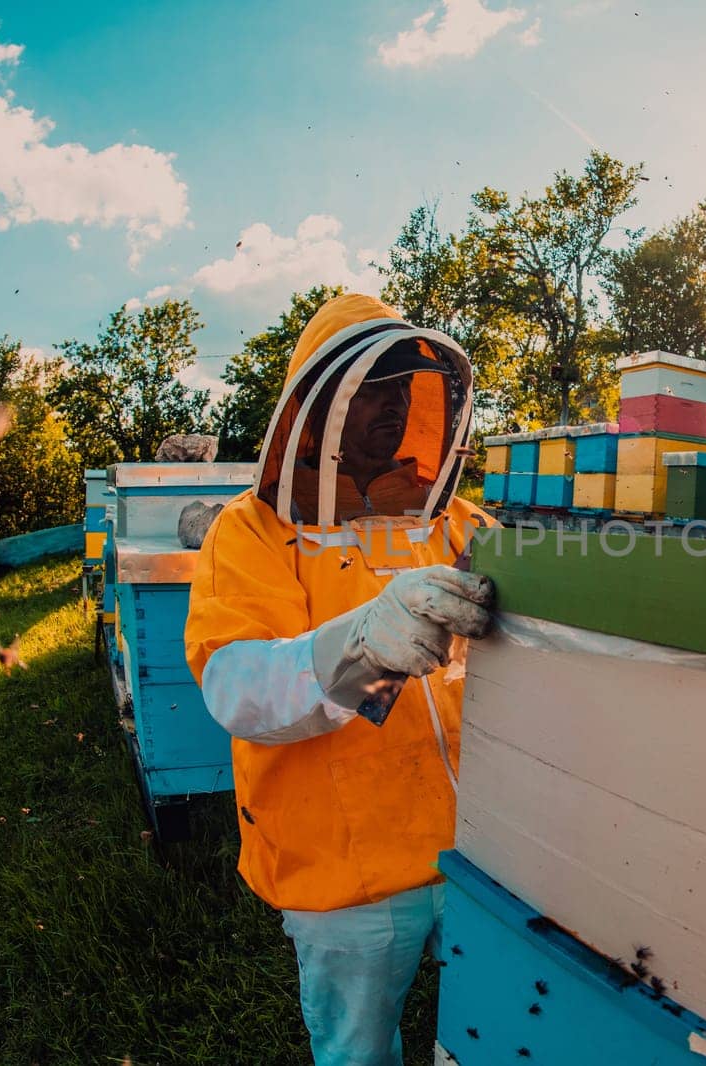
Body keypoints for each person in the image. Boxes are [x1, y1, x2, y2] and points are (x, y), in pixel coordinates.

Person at [183, 293, 497, 1066]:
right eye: (373, 388)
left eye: (404, 389)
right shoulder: (252, 532)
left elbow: (561, 609)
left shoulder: (458, 523)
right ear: (318, 409)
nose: (392, 405)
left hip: (482, 849)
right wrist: (363, 644)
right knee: (358, 1052)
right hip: (346, 871)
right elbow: (238, 688)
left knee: (501, 1035)